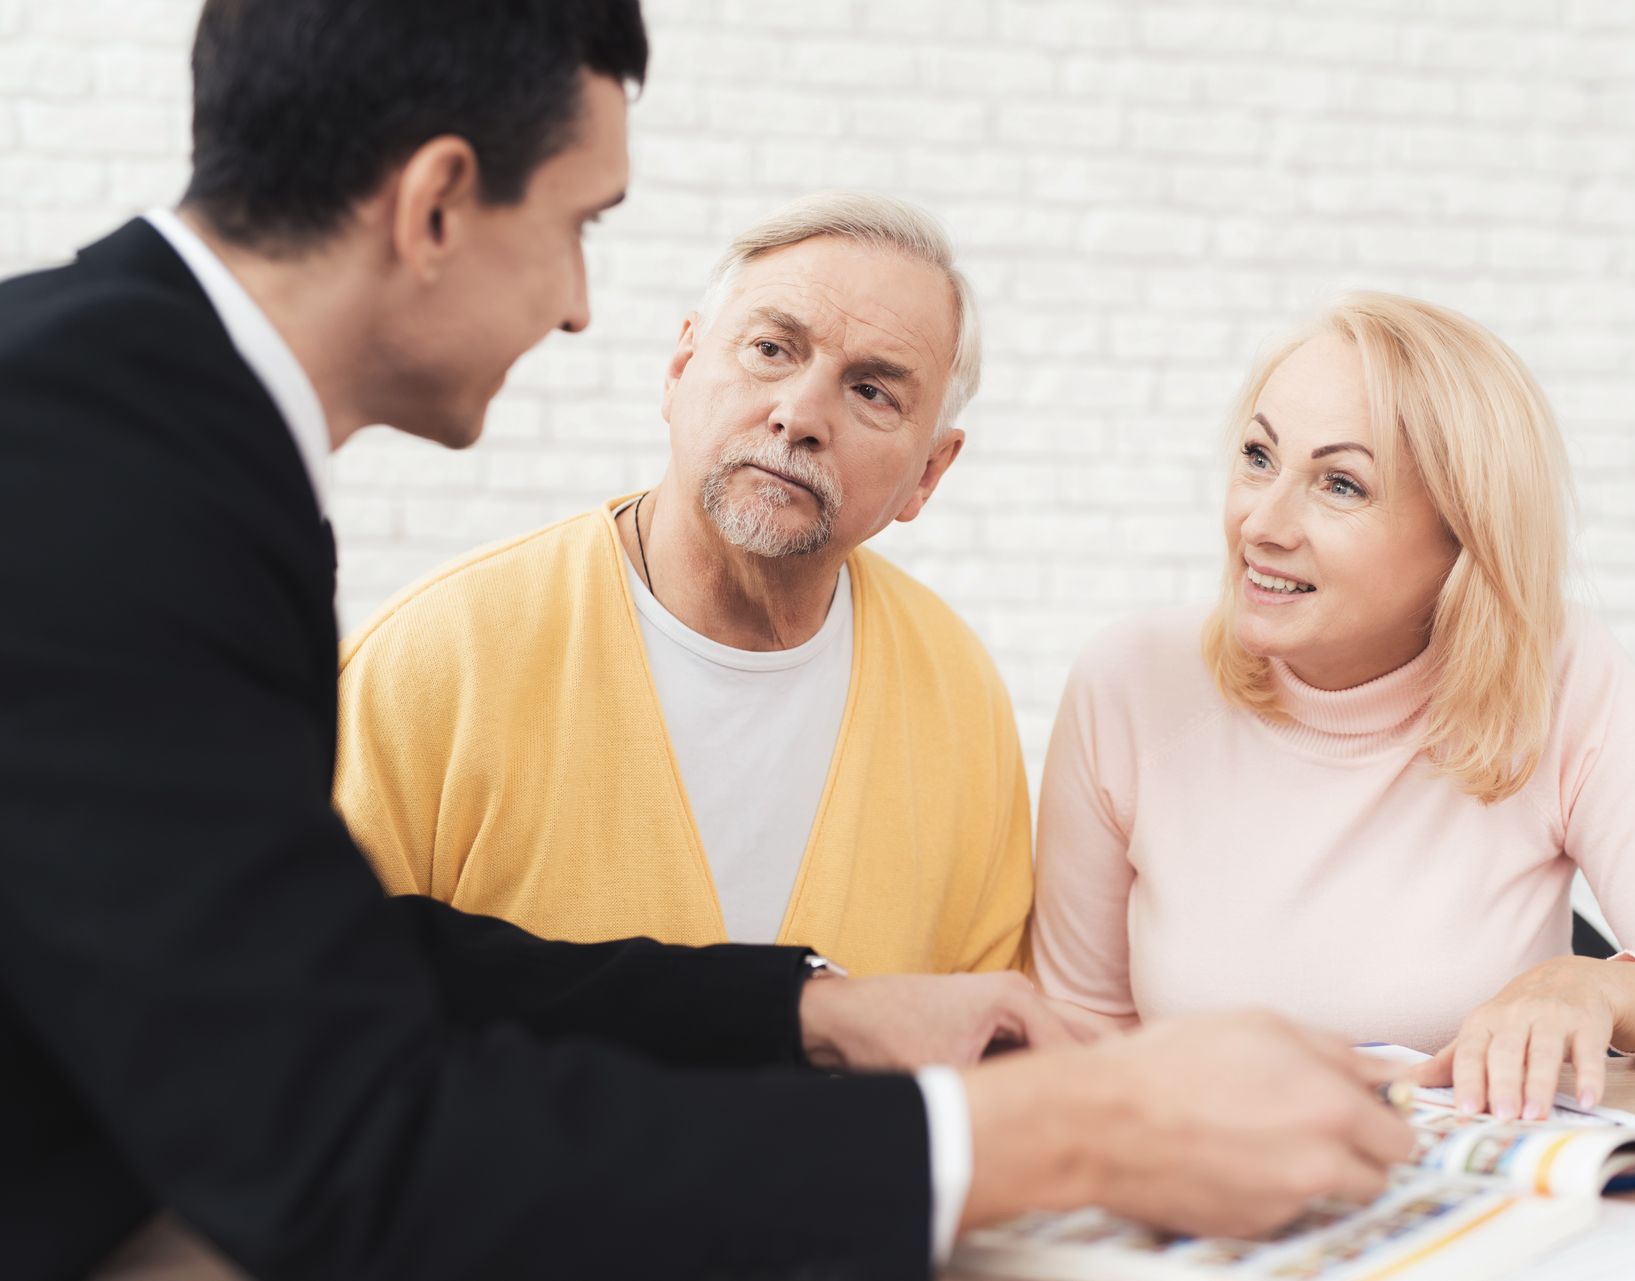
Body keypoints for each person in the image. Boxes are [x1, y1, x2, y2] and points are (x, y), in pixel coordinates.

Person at [0, 4, 1414, 1278]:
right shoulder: (103, 480)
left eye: (872, 390)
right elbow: (344, 1144)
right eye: (580, 226)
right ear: (436, 204)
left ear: (933, 470)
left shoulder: (118, 412)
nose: (575, 303)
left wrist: (805, 1009)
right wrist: (1059, 1136)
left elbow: (333, 955)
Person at [1032, 291, 1635, 1125]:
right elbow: (1081, 1032)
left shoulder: (1557, 677)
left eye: (1339, 484)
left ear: (1461, 537)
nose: (1260, 523)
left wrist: (1596, 984)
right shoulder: (1128, 684)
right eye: (1259, 457)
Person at [334, 192, 1030, 976]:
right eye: (771, 349)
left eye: (872, 391)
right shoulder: (429, 663)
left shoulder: (958, 691)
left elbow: (988, 1052)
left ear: (929, 474)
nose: (798, 414)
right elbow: (300, 1012)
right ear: (679, 369)